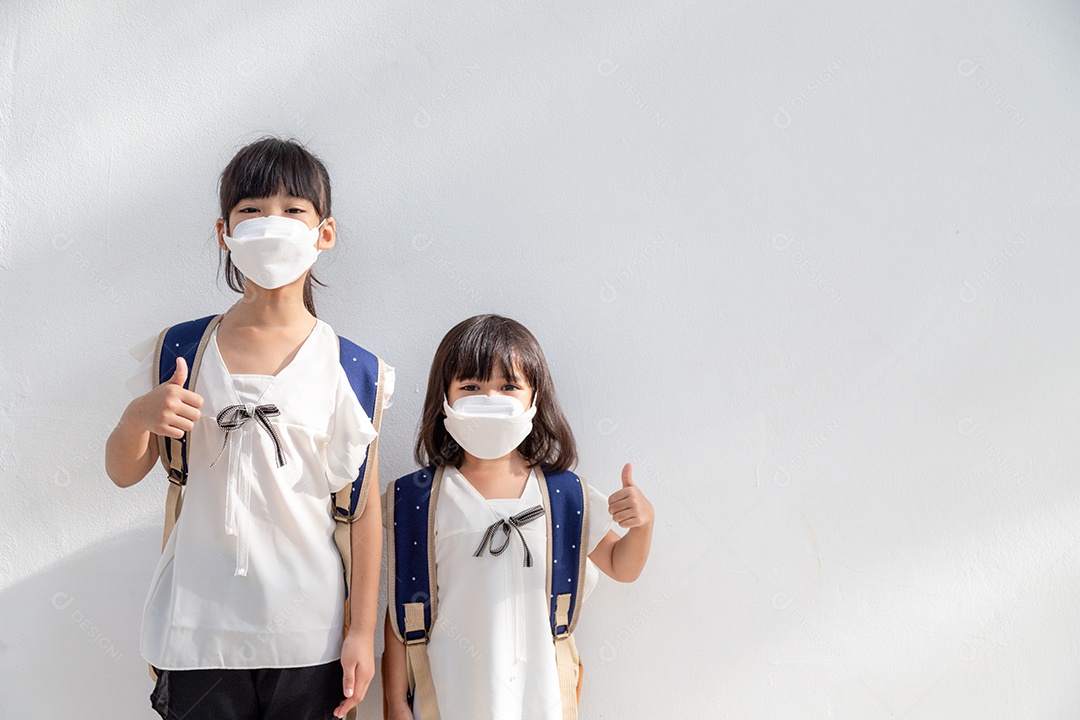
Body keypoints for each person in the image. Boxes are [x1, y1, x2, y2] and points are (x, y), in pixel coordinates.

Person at [104, 137, 391, 720]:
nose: (272, 224)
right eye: (252, 210)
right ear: (224, 233)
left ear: (324, 232)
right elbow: (122, 471)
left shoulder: (351, 369)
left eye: (293, 211)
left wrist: (362, 632)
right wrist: (139, 417)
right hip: (196, 629)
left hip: (309, 635)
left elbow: (362, 512)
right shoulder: (182, 349)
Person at [382, 314, 654, 720]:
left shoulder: (565, 496)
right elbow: (401, 611)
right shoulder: (416, 499)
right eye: (471, 387)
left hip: (541, 700)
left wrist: (643, 523)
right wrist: (394, 702)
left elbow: (621, 565)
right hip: (447, 699)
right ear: (444, 398)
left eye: (508, 386)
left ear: (534, 397)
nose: (490, 399)